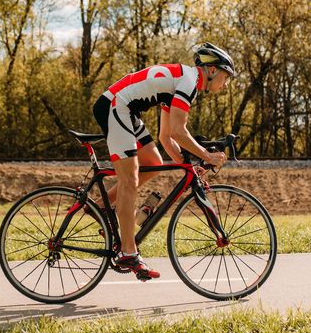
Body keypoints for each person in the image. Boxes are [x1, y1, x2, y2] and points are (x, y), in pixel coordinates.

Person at [91, 42, 236, 280]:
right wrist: (207, 156)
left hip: (125, 108)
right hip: (116, 106)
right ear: (212, 70)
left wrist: (189, 166)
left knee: (153, 161)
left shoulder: (182, 81)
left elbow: (166, 137)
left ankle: (100, 207)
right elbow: (179, 131)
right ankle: (129, 252)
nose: (226, 83)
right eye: (226, 76)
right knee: (130, 179)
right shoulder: (188, 82)